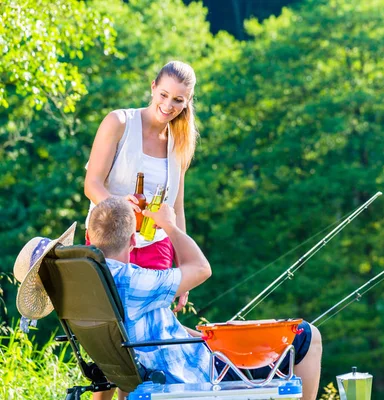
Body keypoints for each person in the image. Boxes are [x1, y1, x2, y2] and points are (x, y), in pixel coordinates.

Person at [87, 197, 323, 400]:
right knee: (306, 335)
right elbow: (201, 268)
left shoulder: (86, 281)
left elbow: (155, 329)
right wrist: (170, 226)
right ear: (132, 241)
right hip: (195, 374)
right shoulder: (132, 281)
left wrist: (212, 337)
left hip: (176, 360)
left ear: (90, 235)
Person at [83, 60, 197, 276]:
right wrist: (118, 206)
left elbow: (177, 209)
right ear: (153, 87)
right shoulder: (119, 122)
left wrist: (184, 267)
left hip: (157, 248)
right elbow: (91, 184)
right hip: (109, 240)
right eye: (163, 95)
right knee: (107, 308)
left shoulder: (180, 143)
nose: (168, 105)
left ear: (187, 102)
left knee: (154, 311)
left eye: (178, 100)